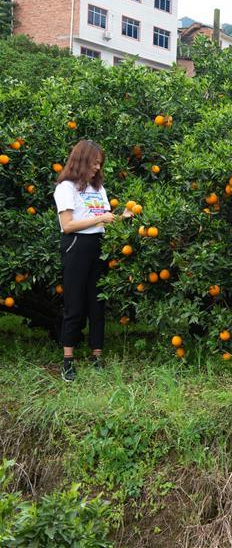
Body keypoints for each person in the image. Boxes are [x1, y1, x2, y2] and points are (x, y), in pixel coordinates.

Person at [53, 139, 129, 382]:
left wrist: (122, 217)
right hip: (77, 245)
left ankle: (97, 356)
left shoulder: (99, 189)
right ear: (82, 160)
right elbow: (67, 225)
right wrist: (100, 220)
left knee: (97, 303)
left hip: (99, 246)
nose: (97, 167)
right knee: (74, 304)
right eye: (94, 163)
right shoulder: (66, 188)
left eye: (99, 164)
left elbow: (104, 218)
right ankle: (68, 361)